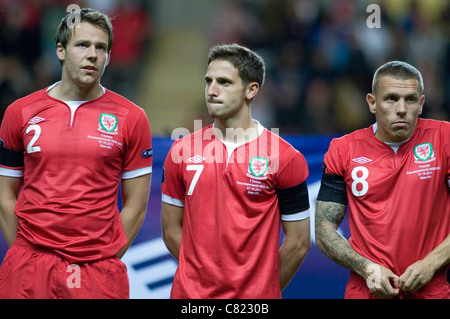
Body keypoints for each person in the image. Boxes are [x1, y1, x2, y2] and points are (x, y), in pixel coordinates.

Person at [0, 8, 152, 299]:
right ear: (60, 50)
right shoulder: (19, 112)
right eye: (82, 45)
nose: (93, 54)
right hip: (28, 268)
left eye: (101, 47)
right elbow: (5, 194)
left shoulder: (132, 117)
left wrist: (104, 259)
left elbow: (136, 206)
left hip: (96, 271)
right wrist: (23, 252)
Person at [161, 43, 311, 298]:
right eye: (208, 81)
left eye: (224, 82)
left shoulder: (285, 158)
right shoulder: (180, 152)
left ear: (251, 90)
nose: (211, 91)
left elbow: (298, 243)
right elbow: (171, 230)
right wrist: (203, 277)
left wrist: (261, 290)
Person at [315, 61, 449, 299]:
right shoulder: (343, 149)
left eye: (410, 99)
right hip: (366, 289)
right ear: (372, 103)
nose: (401, 109)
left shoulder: (444, 139)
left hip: (430, 290)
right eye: (391, 99)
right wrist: (366, 268)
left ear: (421, 104)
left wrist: (431, 263)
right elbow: (324, 229)